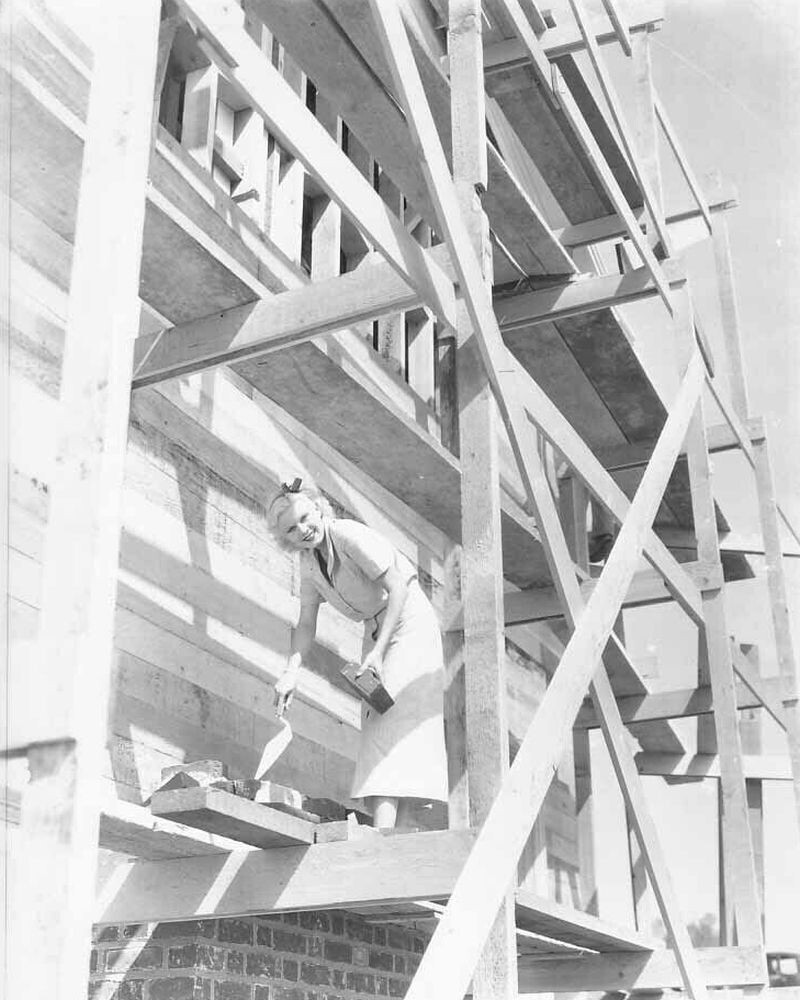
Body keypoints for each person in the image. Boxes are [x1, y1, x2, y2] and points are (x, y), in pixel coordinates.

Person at [268, 478, 448, 829]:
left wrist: (378, 653)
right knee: (379, 723)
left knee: (394, 723)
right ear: (285, 539)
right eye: (291, 529)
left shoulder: (349, 535)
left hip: (409, 620)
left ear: (318, 508)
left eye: (305, 518)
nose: (303, 530)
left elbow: (397, 587)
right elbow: (306, 623)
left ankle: (386, 835)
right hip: (377, 628)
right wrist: (291, 673)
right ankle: (394, 834)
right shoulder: (309, 564)